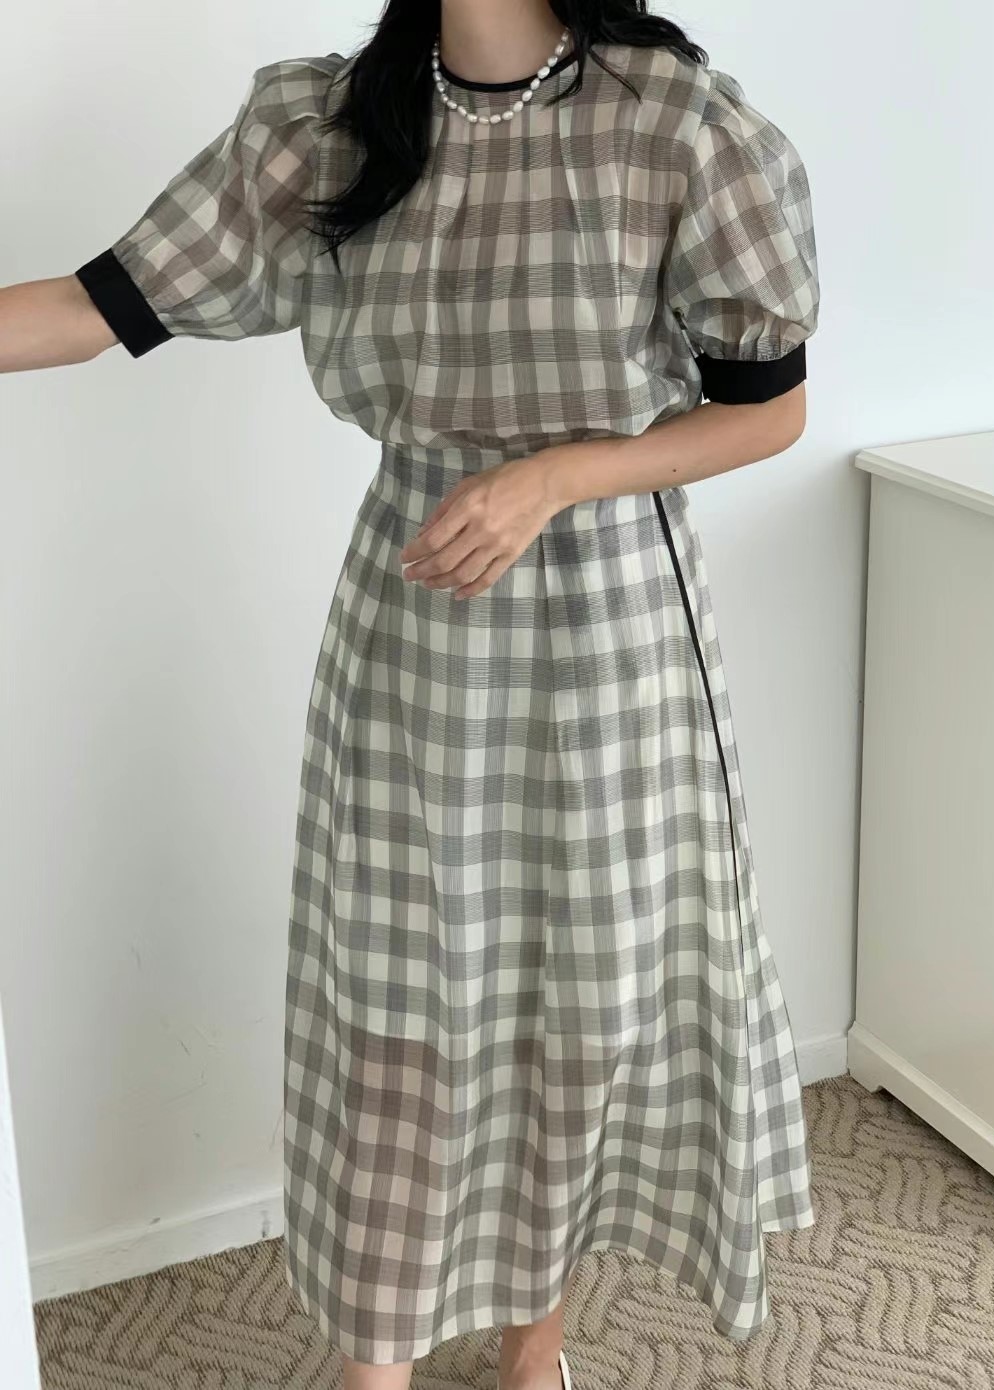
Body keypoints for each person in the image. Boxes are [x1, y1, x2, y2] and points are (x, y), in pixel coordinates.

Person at [0, 2, 820, 1387]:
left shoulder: (678, 124)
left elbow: (768, 406)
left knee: (586, 997)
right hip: (416, 617)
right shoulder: (328, 126)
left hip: (615, 622)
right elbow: (95, 307)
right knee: (396, 1007)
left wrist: (553, 476)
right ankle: (376, 1359)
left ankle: (531, 1350)